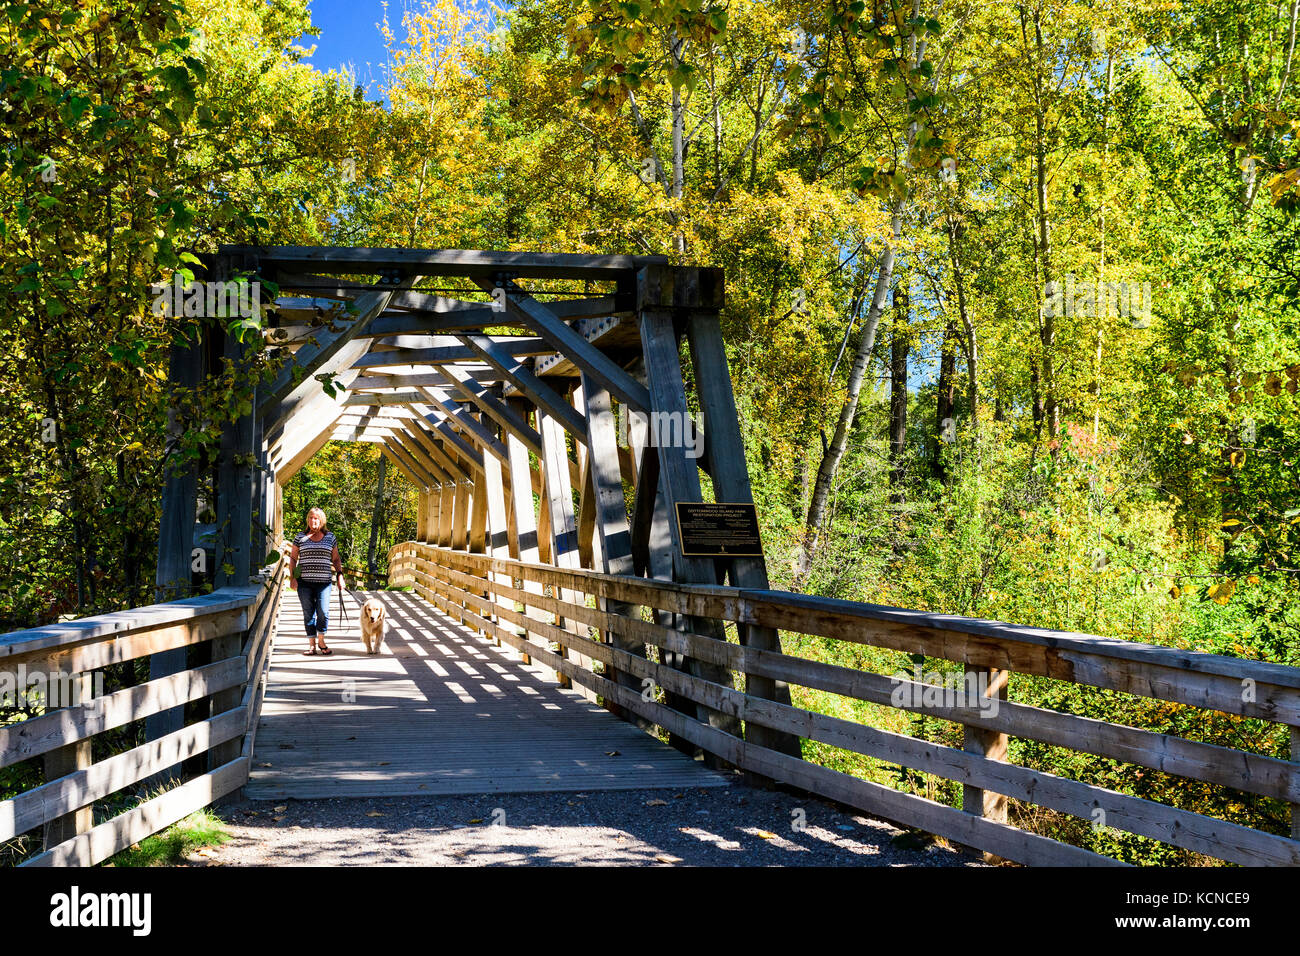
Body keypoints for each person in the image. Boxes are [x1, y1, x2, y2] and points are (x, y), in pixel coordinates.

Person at [288, 507, 345, 656]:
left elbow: (336, 559)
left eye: (316, 518)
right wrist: (292, 578)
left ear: (322, 520)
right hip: (304, 582)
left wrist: (340, 575)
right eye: (311, 518)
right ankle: (312, 645)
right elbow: (293, 558)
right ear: (308, 520)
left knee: (323, 612)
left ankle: (321, 640)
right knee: (308, 614)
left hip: (324, 582)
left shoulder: (330, 537)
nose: (313, 521)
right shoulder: (300, 537)